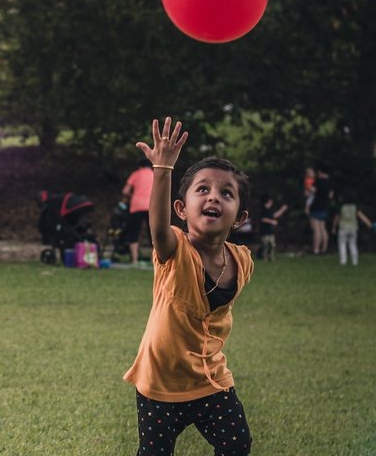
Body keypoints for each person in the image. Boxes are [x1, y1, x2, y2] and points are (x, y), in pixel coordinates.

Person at [124, 117, 254, 455]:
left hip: (209, 378)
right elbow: (157, 227)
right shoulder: (175, 250)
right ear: (181, 209)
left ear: (239, 216)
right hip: (160, 383)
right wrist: (163, 168)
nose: (214, 197)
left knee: (237, 444)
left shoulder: (242, 261)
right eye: (203, 189)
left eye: (227, 193)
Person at [122, 158, 154, 265]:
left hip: (136, 206)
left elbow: (125, 191)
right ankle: (153, 260)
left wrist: (132, 196)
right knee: (153, 234)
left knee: (134, 232)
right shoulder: (154, 174)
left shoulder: (135, 174)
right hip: (151, 206)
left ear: (140, 166)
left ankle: (135, 260)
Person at [331, 195, 374, 266]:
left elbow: (336, 218)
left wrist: (334, 227)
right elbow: (362, 216)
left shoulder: (341, 207)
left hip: (343, 228)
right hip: (353, 228)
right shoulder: (355, 207)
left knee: (342, 244)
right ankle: (355, 261)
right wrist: (369, 224)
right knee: (353, 244)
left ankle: (343, 261)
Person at [305, 165, 333, 255]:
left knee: (316, 230)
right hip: (324, 207)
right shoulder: (330, 183)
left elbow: (312, 191)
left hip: (316, 208)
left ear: (320, 172)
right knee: (323, 229)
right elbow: (330, 196)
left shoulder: (318, 182)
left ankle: (316, 250)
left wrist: (308, 188)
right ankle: (324, 249)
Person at [258, 193, 287, 261]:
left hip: (270, 231)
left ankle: (271, 257)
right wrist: (272, 222)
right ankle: (264, 258)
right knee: (265, 245)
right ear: (268, 201)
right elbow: (263, 219)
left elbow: (274, 216)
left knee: (272, 245)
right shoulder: (263, 209)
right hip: (264, 231)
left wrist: (282, 209)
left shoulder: (269, 210)